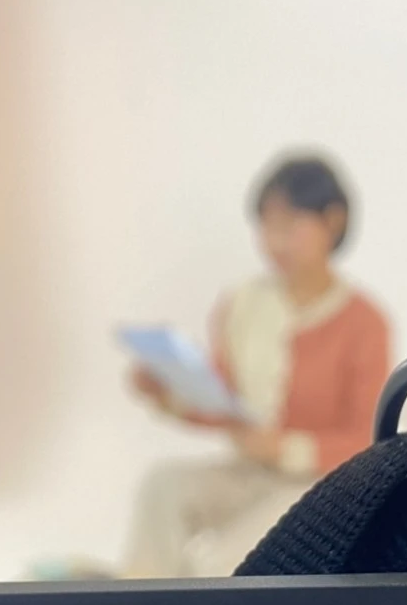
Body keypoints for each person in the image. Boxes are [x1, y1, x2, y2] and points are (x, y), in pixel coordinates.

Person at [126, 154, 391, 578]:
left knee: (222, 561)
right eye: (267, 227)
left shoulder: (364, 322)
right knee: (163, 487)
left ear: (333, 221)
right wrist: (168, 391)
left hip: (313, 486)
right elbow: (222, 403)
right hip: (245, 471)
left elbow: (368, 439)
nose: (275, 242)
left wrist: (285, 448)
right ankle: (135, 604)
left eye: (290, 226)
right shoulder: (242, 304)